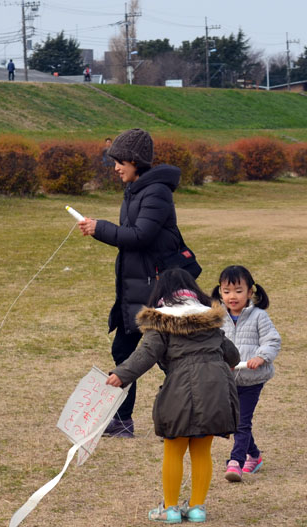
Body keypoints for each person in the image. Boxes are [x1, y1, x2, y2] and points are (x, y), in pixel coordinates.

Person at [77, 128, 190, 439]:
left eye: (120, 161)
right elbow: (130, 239)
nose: (115, 167)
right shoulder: (136, 190)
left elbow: (140, 236)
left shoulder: (156, 192)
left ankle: (195, 410)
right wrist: (100, 229)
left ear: (135, 161)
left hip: (156, 291)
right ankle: (122, 421)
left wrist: (100, 228)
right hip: (133, 288)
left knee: (168, 358)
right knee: (123, 353)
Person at [105, 269, 240, 523]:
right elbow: (232, 355)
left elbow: (145, 354)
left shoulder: (162, 320)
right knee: (202, 449)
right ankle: (198, 508)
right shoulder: (209, 320)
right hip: (216, 388)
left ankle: (170, 509)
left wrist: (121, 374)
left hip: (182, 388)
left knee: (174, 448)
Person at [211, 265, 281, 482]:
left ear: (250, 292)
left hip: (252, 380)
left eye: (239, 291)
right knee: (233, 421)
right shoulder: (217, 317)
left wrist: (261, 357)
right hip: (227, 380)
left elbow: (272, 340)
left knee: (242, 421)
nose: (233, 296)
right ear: (220, 293)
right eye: (227, 291)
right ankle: (255, 455)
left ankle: (236, 462)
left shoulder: (259, 316)